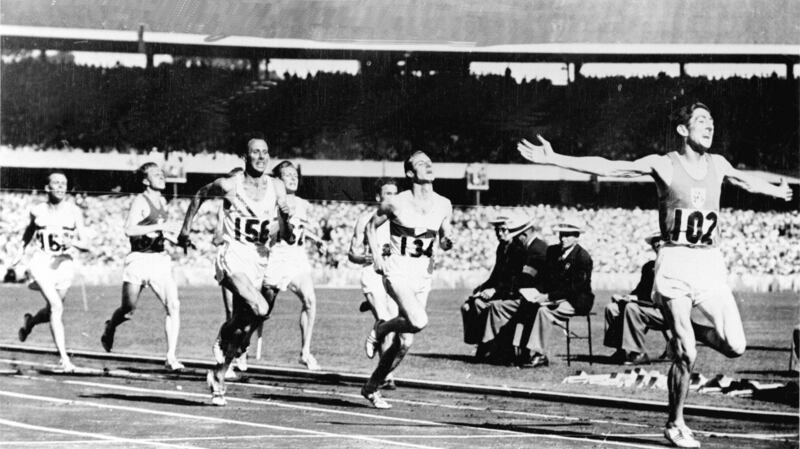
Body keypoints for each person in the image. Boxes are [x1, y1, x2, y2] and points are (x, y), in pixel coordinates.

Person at [518, 101, 793, 448]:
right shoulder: (663, 164)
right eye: (701, 121)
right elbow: (612, 168)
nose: (710, 127)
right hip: (675, 263)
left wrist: (774, 190)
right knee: (687, 353)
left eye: (712, 121)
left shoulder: (718, 164)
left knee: (735, 346)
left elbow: (747, 181)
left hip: (709, 264)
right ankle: (675, 422)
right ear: (682, 130)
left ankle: (683, 332)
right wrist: (556, 158)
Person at [177, 137, 292, 406]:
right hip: (233, 256)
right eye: (255, 153)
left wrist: (285, 216)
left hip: (259, 259)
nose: (261, 157)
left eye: (265, 152)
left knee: (242, 326)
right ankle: (223, 335)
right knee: (261, 309)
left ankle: (218, 375)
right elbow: (199, 195)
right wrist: (185, 228)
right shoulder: (230, 184)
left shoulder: (277, 187)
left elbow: (285, 236)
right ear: (245, 156)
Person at [361, 151, 454, 409]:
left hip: (423, 276)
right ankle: (380, 329)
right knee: (418, 321)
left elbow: (446, 234)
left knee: (406, 342)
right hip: (397, 272)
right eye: (421, 164)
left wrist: (447, 241)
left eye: (430, 161)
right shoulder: (396, 202)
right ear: (410, 173)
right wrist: (377, 256)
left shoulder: (444, 203)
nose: (428, 165)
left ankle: (371, 386)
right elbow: (371, 226)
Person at [100, 163, 184, 371]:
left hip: (159, 260)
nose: (162, 176)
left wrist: (177, 239)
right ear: (145, 181)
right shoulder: (140, 201)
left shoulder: (163, 201)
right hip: (138, 260)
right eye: (156, 174)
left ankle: (171, 357)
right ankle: (110, 326)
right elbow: (129, 229)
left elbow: (160, 232)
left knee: (173, 305)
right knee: (128, 310)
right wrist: (160, 226)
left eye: (162, 173)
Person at [15, 172, 89, 372]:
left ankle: (29, 323)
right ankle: (64, 359)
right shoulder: (37, 210)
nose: (60, 187)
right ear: (47, 187)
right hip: (42, 263)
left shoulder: (74, 212)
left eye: (63, 183)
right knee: (56, 307)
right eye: (56, 183)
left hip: (64, 265)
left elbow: (86, 244)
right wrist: (20, 251)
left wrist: (71, 242)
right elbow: (29, 231)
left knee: (51, 311)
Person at [263, 161, 325, 371]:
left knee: (310, 300)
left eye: (295, 175)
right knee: (262, 310)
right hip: (276, 258)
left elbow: (299, 230)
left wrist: (316, 239)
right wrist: (281, 223)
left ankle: (305, 352)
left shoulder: (304, 204)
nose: (293, 178)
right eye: (287, 175)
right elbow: (267, 231)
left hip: (297, 259)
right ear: (278, 181)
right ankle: (241, 347)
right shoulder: (271, 202)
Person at [513, 218, 594, 368]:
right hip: (554, 297)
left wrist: (548, 297)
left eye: (568, 235)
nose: (563, 239)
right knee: (528, 305)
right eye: (561, 235)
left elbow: (574, 288)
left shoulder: (583, 257)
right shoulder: (553, 251)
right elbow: (545, 277)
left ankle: (539, 354)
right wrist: (535, 293)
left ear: (577, 237)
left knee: (544, 312)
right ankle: (519, 350)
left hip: (575, 300)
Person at [348, 178, 400, 389]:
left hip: (393, 274)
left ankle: (383, 371)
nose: (392, 198)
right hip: (371, 273)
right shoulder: (365, 218)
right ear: (378, 197)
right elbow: (352, 254)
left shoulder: (401, 218)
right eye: (387, 193)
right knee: (384, 319)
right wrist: (368, 258)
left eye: (395, 194)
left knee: (393, 325)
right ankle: (385, 375)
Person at [603, 232, 667, 365]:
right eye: (655, 241)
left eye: (661, 240)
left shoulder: (674, 266)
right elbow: (640, 291)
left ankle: (638, 353)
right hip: (647, 306)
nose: (658, 243)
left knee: (632, 308)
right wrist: (625, 297)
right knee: (612, 308)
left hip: (666, 311)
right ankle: (621, 351)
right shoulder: (649, 266)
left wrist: (633, 300)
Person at [460, 214, 511, 351]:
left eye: (503, 230)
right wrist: (483, 287)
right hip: (499, 290)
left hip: (509, 293)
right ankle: (481, 342)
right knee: (468, 306)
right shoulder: (502, 247)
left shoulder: (517, 248)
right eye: (497, 230)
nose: (499, 234)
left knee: (478, 304)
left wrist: (495, 290)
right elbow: (496, 275)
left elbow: (514, 279)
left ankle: (488, 344)